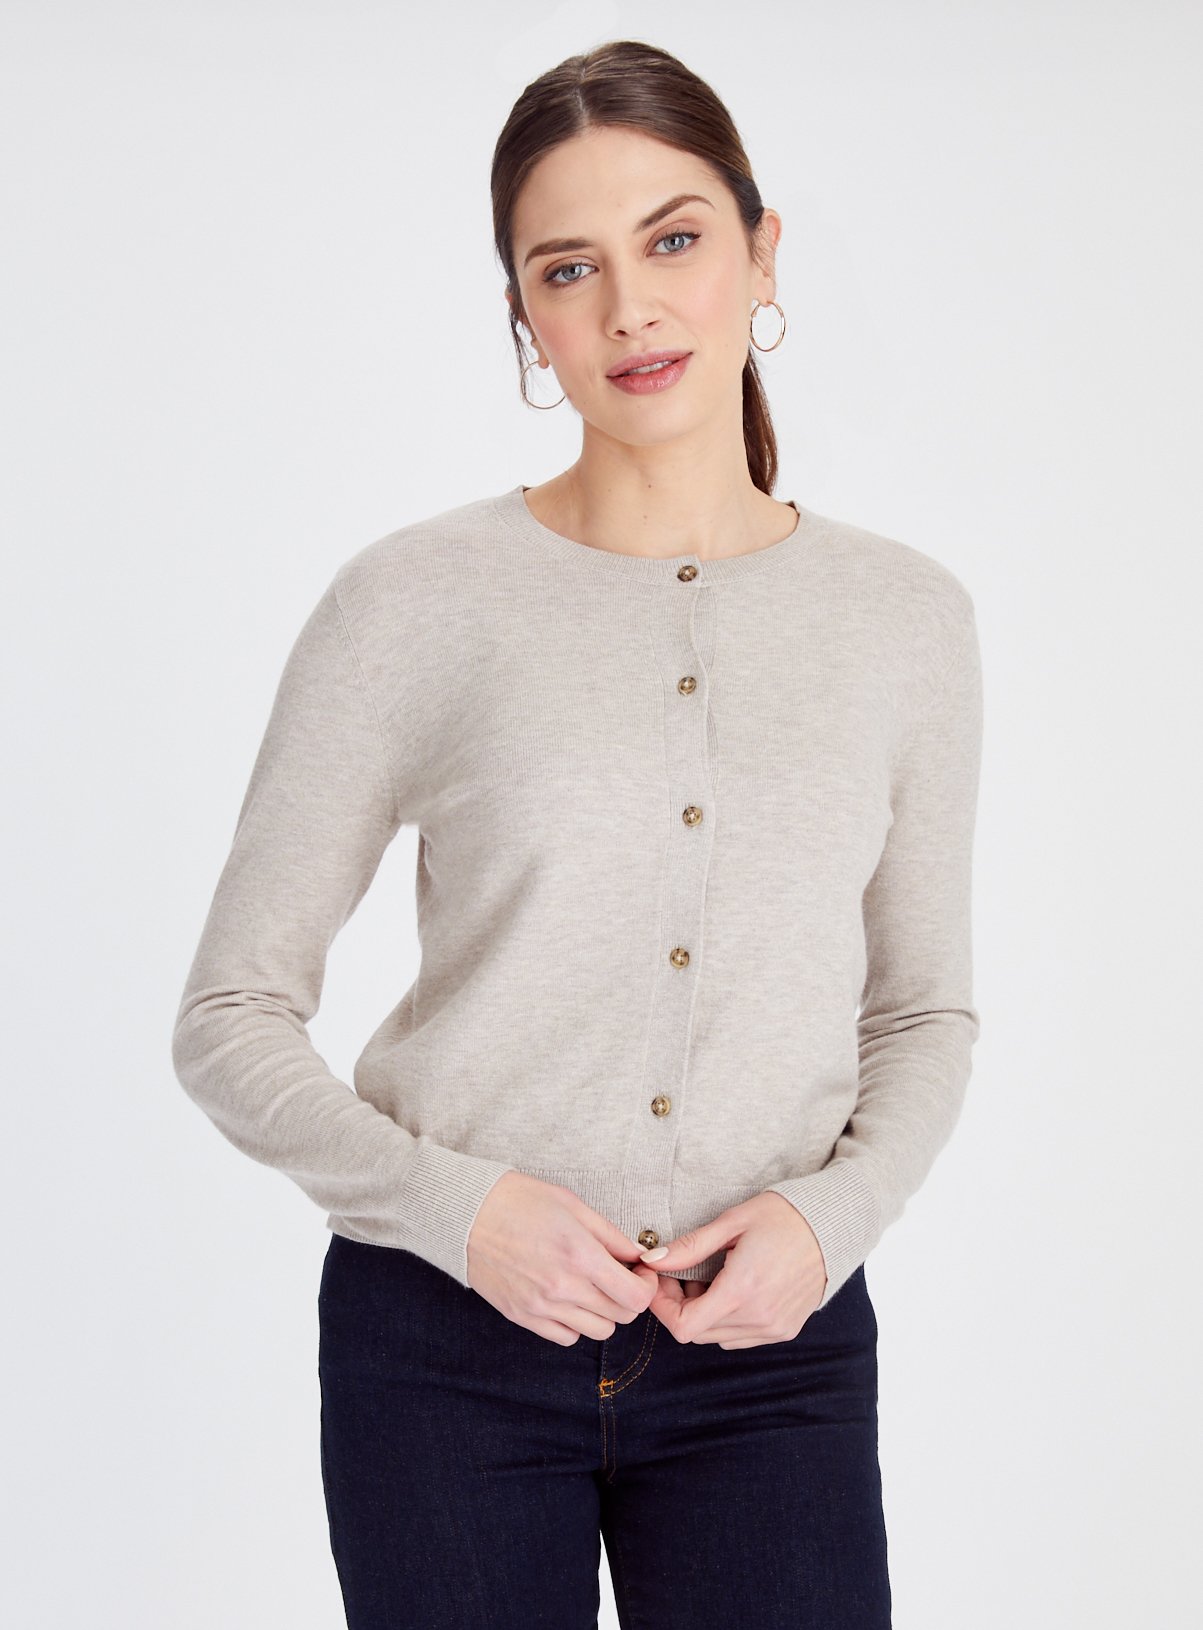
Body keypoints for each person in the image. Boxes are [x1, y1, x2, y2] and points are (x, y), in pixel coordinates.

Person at [171, 37, 983, 1630]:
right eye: (568, 268)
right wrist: (458, 1211)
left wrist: (829, 1222)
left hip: (773, 1355)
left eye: (674, 239)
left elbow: (923, 1011)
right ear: (525, 319)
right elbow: (229, 1015)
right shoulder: (413, 602)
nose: (630, 309)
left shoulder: (907, 622)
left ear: (762, 252)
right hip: (444, 1348)